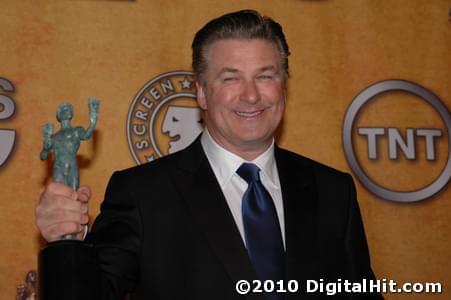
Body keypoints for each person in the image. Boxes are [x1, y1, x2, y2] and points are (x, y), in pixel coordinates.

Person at [36, 10, 383, 299]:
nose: (251, 95)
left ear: (283, 85)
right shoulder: (143, 195)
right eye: (231, 78)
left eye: (265, 75)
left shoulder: (334, 191)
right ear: (201, 93)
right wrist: (66, 243)